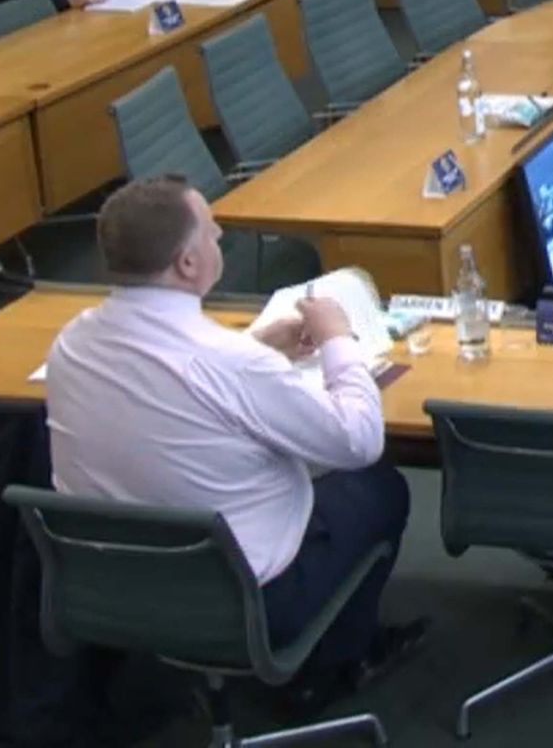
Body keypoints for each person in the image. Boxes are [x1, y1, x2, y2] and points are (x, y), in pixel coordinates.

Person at [43, 176, 424, 706]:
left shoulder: (70, 345)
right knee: (377, 487)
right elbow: (359, 440)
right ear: (187, 264)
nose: (220, 231)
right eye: (210, 230)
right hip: (248, 598)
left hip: (115, 585)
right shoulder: (233, 364)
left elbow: (175, 385)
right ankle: (329, 669)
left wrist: (259, 346)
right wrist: (338, 338)